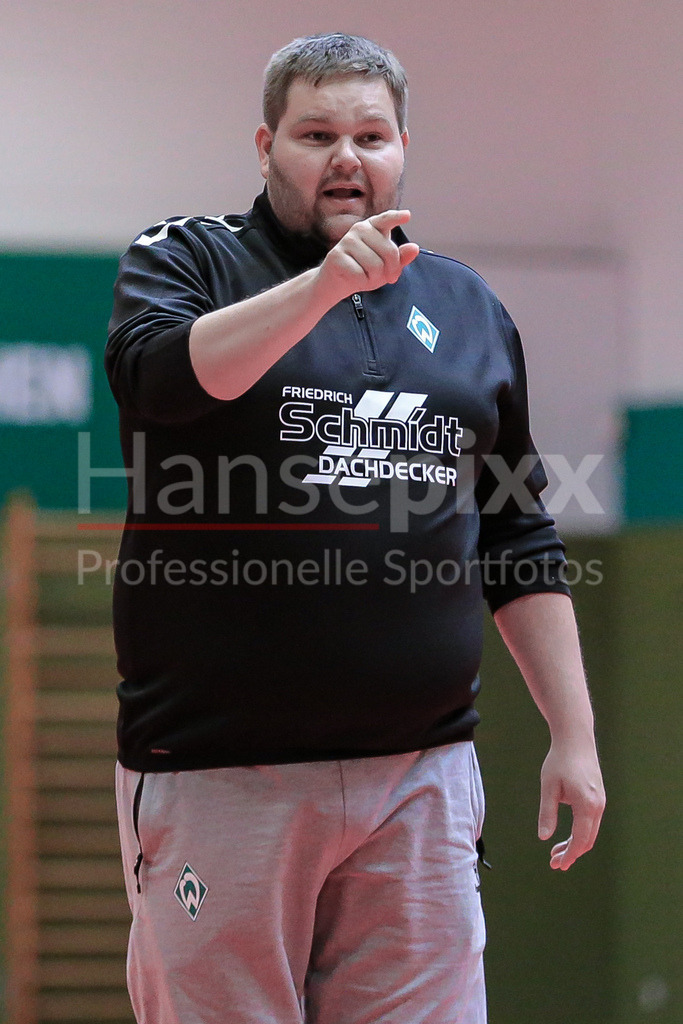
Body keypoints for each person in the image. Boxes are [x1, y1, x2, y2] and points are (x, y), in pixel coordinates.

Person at [106, 32, 605, 1024]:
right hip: (221, 772)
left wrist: (573, 732)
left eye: (370, 135)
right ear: (264, 145)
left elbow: (515, 533)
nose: (346, 157)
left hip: (420, 774)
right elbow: (163, 378)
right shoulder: (187, 259)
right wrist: (329, 284)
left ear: (402, 148)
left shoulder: (466, 306)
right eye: (316, 133)